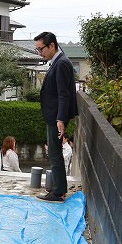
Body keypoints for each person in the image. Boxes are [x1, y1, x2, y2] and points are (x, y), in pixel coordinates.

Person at [33, 31, 78, 202]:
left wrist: (60, 119)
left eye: (41, 49)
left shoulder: (61, 63)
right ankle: (57, 189)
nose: (40, 53)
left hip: (56, 116)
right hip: (54, 114)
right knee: (53, 151)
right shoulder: (58, 61)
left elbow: (63, 94)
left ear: (52, 45)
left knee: (54, 152)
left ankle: (58, 192)